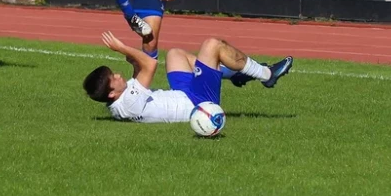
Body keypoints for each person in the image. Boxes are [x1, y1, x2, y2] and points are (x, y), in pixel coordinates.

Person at [83, 31, 294, 123]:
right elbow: (151, 63)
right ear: (111, 93)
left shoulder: (119, 104)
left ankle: (237, 75)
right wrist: (122, 48)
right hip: (198, 103)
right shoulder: (127, 101)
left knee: (175, 53)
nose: (118, 75)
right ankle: (267, 74)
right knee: (213, 45)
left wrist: (135, 65)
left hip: (183, 95)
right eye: (114, 77)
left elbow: (140, 78)